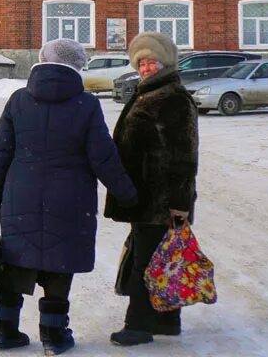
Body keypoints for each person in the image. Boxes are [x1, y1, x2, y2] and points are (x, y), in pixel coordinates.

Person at [0, 39, 138, 354]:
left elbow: (0, 149)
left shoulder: (18, 101)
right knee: (59, 261)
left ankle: (4, 330)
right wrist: (127, 193)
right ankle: (54, 336)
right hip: (70, 197)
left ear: (42, 61)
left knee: (15, 261)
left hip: (21, 193)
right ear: (77, 66)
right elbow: (103, 157)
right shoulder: (86, 104)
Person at [104, 31, 199, 347]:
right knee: (163, 259)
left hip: (160, 200)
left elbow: (184, 157)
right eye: (141, 62)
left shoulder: (173, 98)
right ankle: (167, 321)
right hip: (144, 194)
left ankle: (138, 325)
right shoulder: (149, 92)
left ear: (166, 63)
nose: (145, 68)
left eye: (152, 62)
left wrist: (179, 203)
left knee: (145, 263)